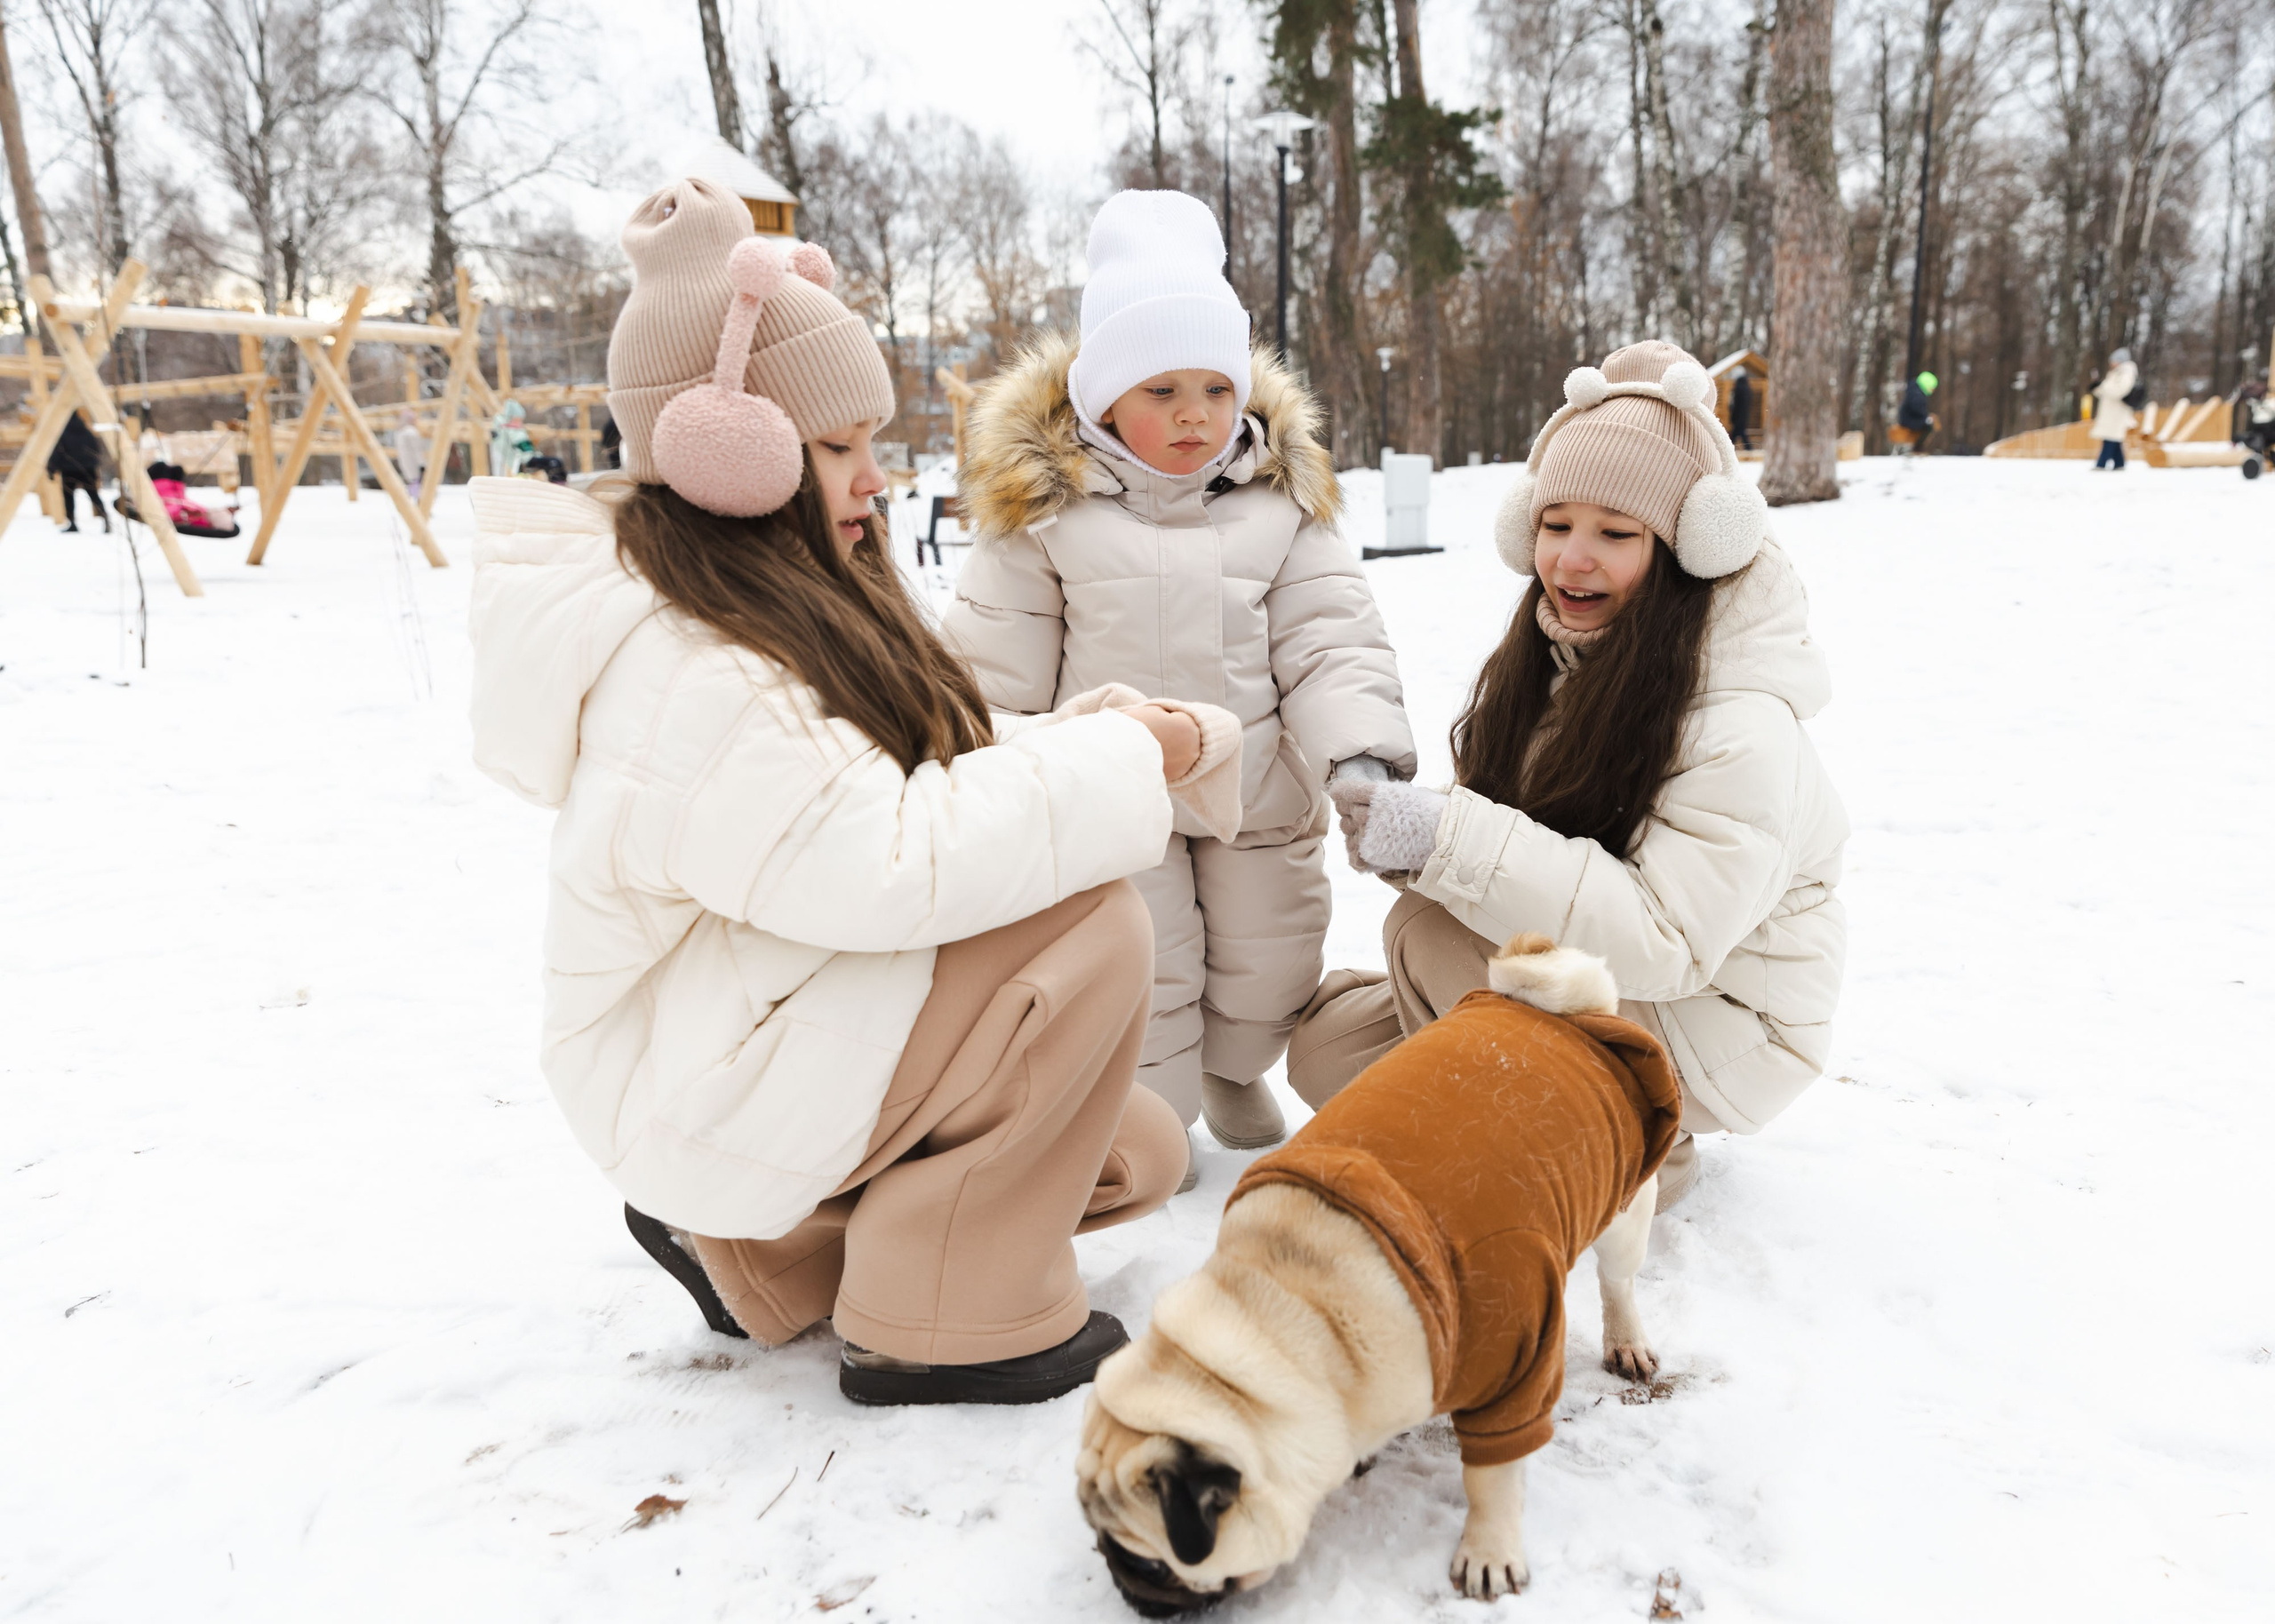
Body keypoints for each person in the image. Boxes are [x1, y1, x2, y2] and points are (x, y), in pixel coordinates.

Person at [467, 178, 1216, 1405]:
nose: (876, 478)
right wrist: (1124, 765)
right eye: (837, 449)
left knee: (1129, 1150)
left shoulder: (753, 602)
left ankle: (762, 1251)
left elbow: (886, 786)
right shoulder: (693, 664)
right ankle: (945, 1314)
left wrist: (1091, 737)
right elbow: (886, 861)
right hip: (693, 1083)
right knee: (1095, 922)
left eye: (872, 443)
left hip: (741, 1034)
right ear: (724, 449)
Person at [1295, 340, 1849, 1212]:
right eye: (1556, 525)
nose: (1572, 559)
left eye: (1616, 533)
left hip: (1721, 1023)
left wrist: (1443, 837)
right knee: (1324, 1050)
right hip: (1616, 987)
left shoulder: (1741, 722)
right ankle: (1539, 1110)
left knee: (1429, 936)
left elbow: (1666, 940)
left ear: (1686, 547)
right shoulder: (1563, 656)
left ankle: (1641, 1145)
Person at [941, 189, 1415, 1161]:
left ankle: (1235, 1069)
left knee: (1269, 953)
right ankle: (1146, 1111)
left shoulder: (1283, 500)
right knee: (1141, 964)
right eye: (1161, 392)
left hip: (1258, 789)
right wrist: (986, 763)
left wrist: (1358, 753)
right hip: (1120, 792)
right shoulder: (1043, 513)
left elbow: (1331, 638)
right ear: (1100, 397)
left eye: (1215, 387)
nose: (1196, 416)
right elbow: (998, 664)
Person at [46, 408, 109, 533]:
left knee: (69, 497)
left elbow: (57, 452)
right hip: (88, 469)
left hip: (69, 470)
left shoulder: (63, 433)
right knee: (94, 496)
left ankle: (72, 523)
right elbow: (96, 450)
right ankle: (106, 520)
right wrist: (93, 464)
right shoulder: (87, 431)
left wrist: (51, 469)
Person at [2093, 349, 2137, 470]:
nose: (2111, 363)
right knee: (2114, 438)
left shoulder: (2126, 372)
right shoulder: (2116, 373)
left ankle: (2101, 464)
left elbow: (2120, 390)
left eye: (2114, 361)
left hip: (2118, 411)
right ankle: (2119, 463)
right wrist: (2097, 388)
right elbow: (2108, 389)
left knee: (2110, 437)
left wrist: (2103, 387)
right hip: (2111, 410)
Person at [1896, 370, 1937, 454]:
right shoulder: (1917, 393)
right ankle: (1917, 448)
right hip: (1909, 420)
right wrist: (1926, 417)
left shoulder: (1915, 390)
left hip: (1909, 418)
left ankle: (1916, 447)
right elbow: (1917, 407)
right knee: (1929, 426)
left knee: (1928, 424)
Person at [489, 400, 534, 476]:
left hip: (521, 461)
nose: (519, 423)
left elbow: (527, 449)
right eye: (517, 419)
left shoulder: (518, 431)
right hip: (514, 463)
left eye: (520, 420)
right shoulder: (505, 432)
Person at [392, 407, 427, 501]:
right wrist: (422, 464)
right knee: (418, 485)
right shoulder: (411, 432)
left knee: (412, 483)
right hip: (414, 464)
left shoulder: (399, 433)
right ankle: (419, 504)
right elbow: (417, 450)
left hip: (405, 463)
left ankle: (413, 503)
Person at [1728, 368, 1754, 450]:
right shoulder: (1746, 387)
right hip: (1743, 415)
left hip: (1738, 416)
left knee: (1738, 433)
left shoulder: (1739, 388)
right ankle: (1748, 449)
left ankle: (1728, 448)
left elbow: (1736, 404)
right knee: (1740, 433)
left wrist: (1733, 415)